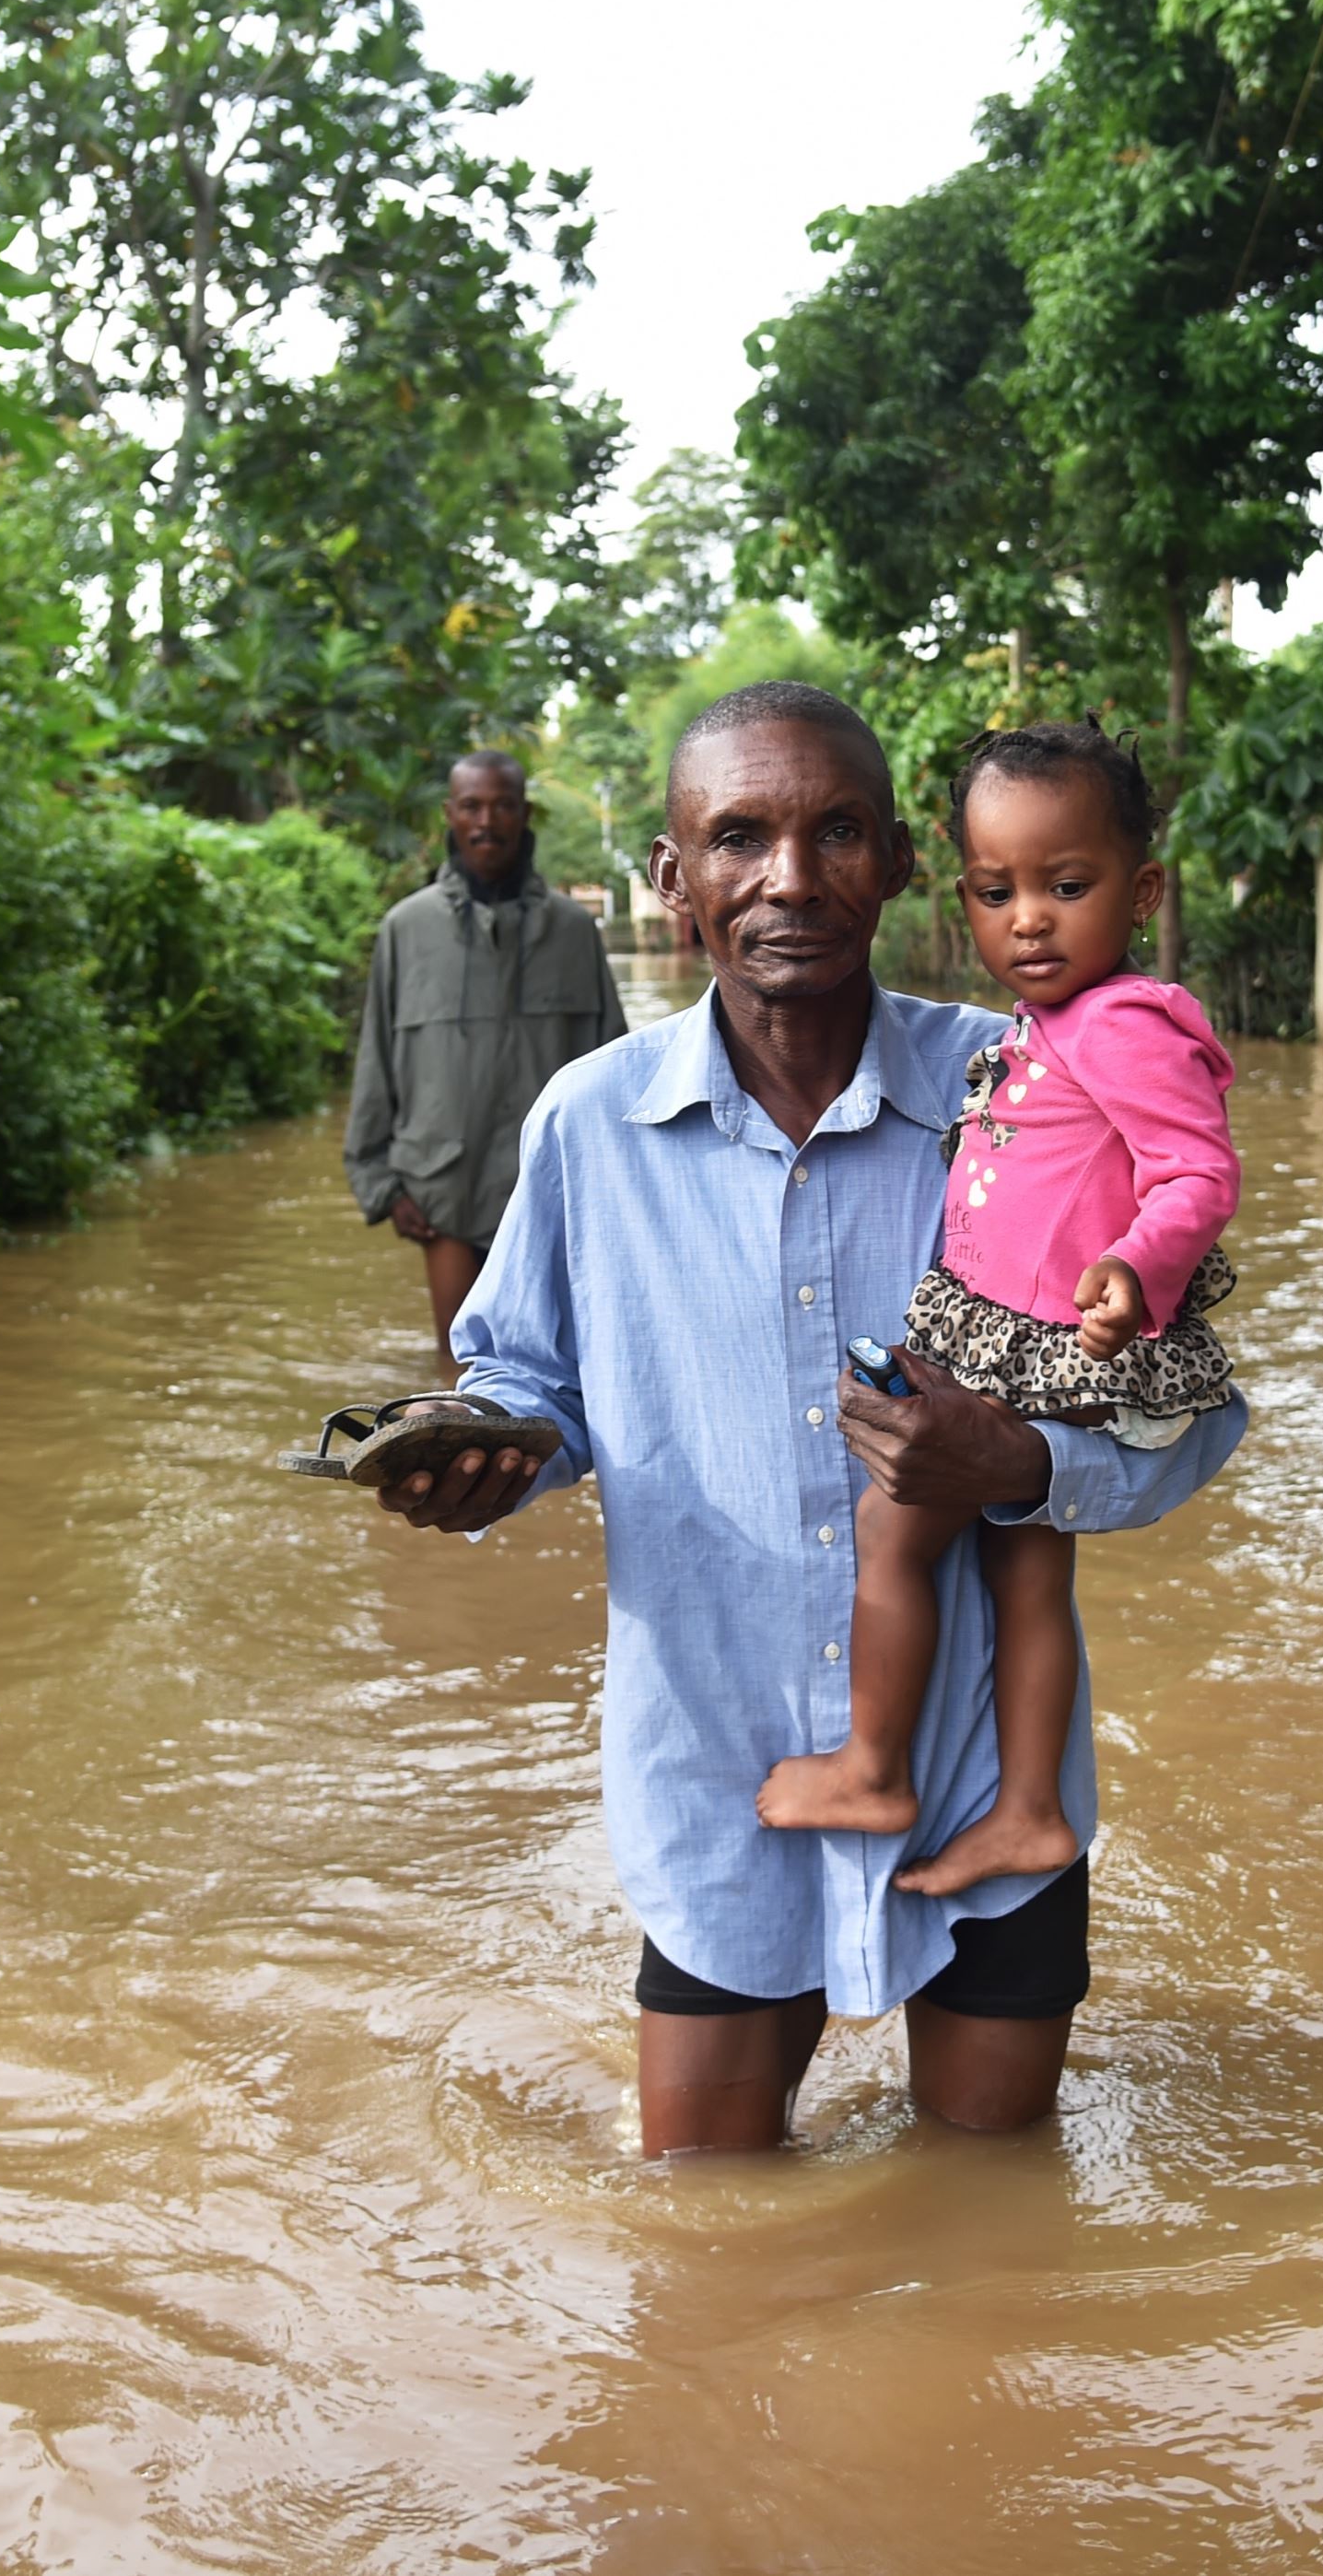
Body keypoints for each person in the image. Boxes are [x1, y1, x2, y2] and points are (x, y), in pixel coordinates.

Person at [371, 682, 1248, 2154]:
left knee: (991, 2217)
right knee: (702, 2218)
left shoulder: (1032, 1085)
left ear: (902, 862)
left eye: (836, 831)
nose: (788, 877)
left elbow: (1192, 1418)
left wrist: (1019, 1462)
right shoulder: (589, 1125)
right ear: (673, 879)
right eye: (737, 837)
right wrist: (488, 1456)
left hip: (980, 1782)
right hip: (726, 1774)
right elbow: (528, 1383)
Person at [755, 723, 1240, 1897]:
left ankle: (874, 1766)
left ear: (1141, 893)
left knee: (892, 1530)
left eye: (1065, 887)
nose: (1027, 919)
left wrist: (1135, 1264)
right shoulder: (1050, 1020)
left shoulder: (1120, 1021)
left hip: (1038, 1340)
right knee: (1029, 1573)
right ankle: (1028, 1810)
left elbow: (1198, 1173)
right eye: (995, 890)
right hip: (1007, 1329)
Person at [343, 751, 626, 1367]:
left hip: (548, 1189)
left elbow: (615, 1069)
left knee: (560, 1372)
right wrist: (381, 1185)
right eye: (471, 805)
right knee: (464, 1372)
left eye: (502, 806)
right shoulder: (405, 929)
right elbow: (377, 1060)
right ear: (450, 814)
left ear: (525, 816)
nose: (486, 821)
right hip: (442, 1184)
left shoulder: (574, 930)